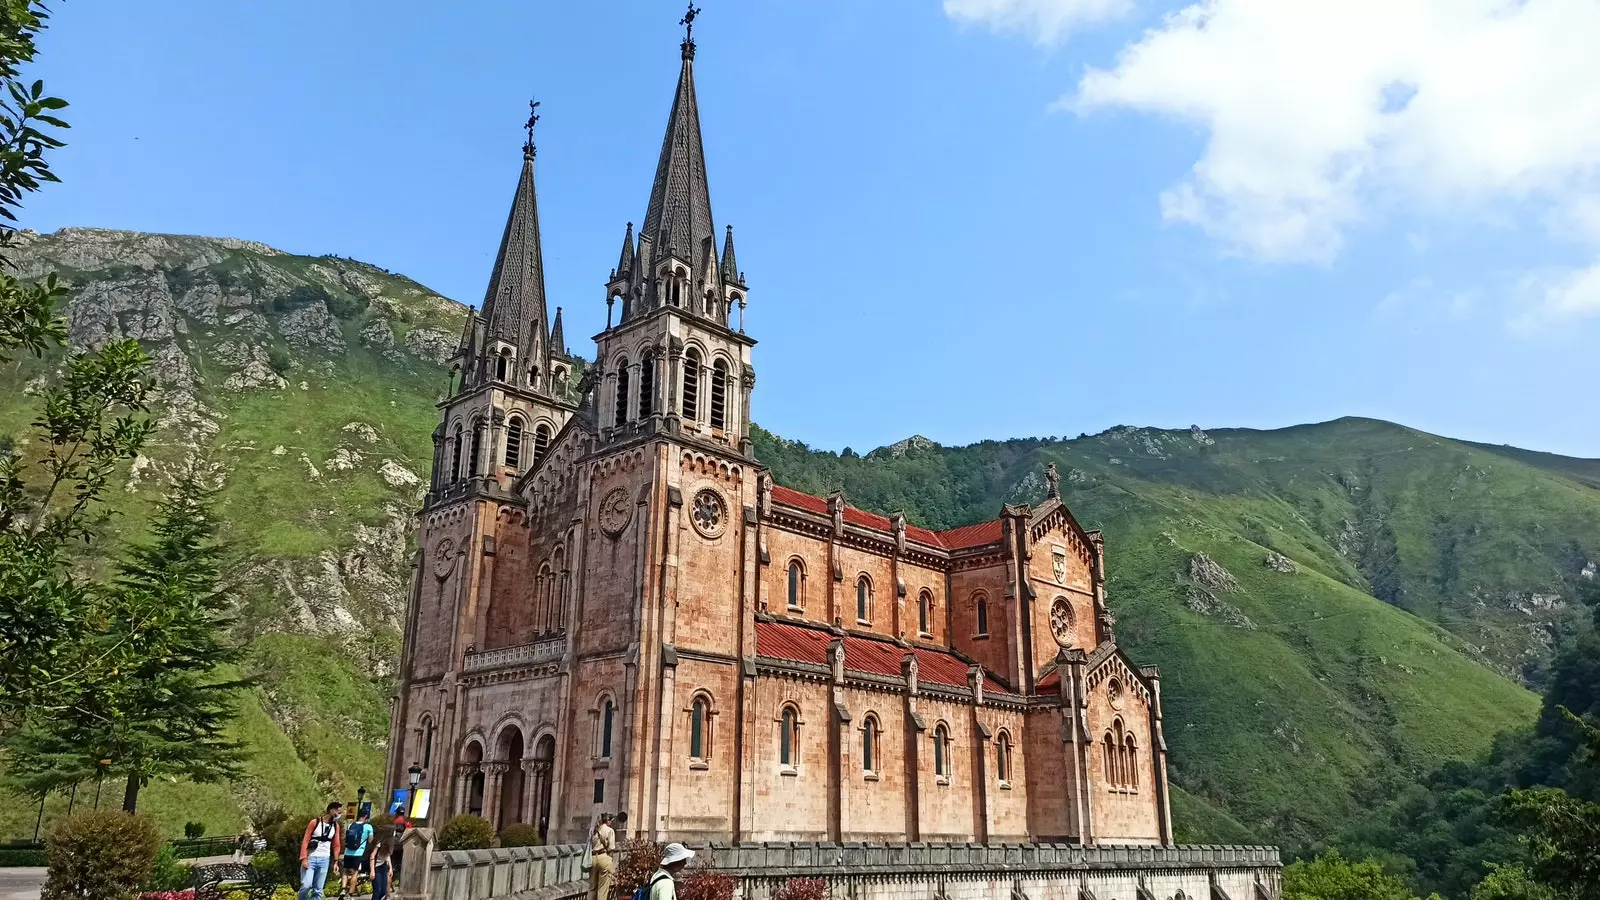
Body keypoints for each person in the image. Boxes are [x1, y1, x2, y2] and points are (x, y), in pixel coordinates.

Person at [298, 802, 344, 900]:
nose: (339, 815)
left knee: (318, 889)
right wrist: (304, 858)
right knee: (306, 885)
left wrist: (335, 862)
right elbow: (305, 840)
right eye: (338, 812)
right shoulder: (315, 822)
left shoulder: (336, 826)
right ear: (331, 811)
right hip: (311, 858)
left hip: (324, 859)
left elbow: (336, 845)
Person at [339, 810, 373, 897]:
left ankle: (343, 889)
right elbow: (370, 840)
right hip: (358, 853)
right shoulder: (368, 827)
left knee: (345, 871)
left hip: (348, 852)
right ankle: (350, 894)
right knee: (355, 873)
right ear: (365, 816)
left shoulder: (351, 825)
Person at [588, 812, 616, 900]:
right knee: (602, 890)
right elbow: (611, 848)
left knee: (592, 888)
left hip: (592, 858)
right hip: (604, 857)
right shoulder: (609, 831)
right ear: (608, 821)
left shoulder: (592, 830)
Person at [368, 835, 394, 900]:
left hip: (383, 866)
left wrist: (390, 868)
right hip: (376, 866)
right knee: (377, 889)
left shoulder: (389, 845)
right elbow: (372, 856)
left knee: (383, 890)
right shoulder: (379, 844)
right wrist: (372, 871)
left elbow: (387, 856)